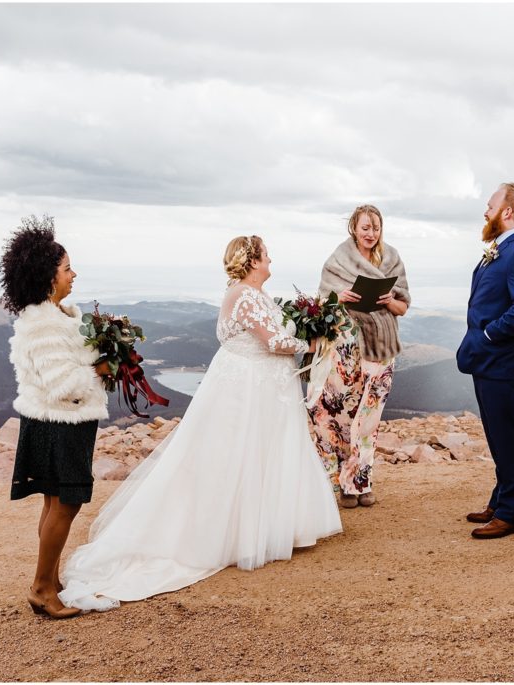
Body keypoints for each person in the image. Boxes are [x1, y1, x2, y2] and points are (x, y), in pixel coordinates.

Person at [58, 235, 342, 612]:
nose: (271, 259)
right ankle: (231, 535)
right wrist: (316, 344)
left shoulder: (255, 295)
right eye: (266, 254)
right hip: (248, 387)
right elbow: (273, 341)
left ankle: (260, 530)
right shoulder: (243, 295)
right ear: (252, 260)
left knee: (260, 453)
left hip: (263, 385)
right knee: (235, 454)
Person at [0, 215, 110, 619]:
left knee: (55, 504)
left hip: (60, 422)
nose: (73, 274)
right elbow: (63, 382)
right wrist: (100, 371)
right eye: (66, 269)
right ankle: (42, 587)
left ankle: (50, 579)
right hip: (58, 424)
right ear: (49, 278)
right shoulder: (43, 325)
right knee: (65, 505)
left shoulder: (60, 315)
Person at [308, 205, 411, 508]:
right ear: (354, 227)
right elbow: (320, 307)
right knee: (339, 414)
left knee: (369, 417)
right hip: (344, 347)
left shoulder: (392, 259)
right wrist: (336, 298)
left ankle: (360, 482)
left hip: (380, 349)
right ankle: (336, 480)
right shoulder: (336, 261)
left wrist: (389, 300)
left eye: (375, 228)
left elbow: (403, 308)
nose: (371, 233)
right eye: (365, 227)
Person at [456, 183, 514, 539]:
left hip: (505, 361)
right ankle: (500, 499)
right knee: (497, 435)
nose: (485, 211)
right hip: (488, 361)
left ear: (506, 212)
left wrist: (490, 334)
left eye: (490, 205)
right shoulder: (501, 249)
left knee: (509, 437)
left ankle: (512, 514)